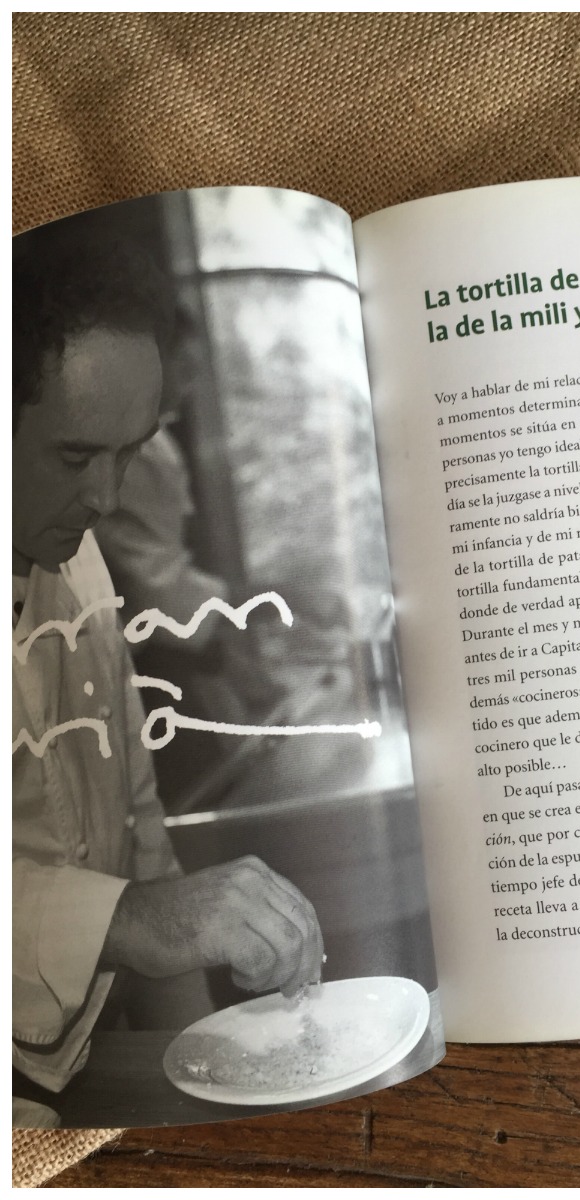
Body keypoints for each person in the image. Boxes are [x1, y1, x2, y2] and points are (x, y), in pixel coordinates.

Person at [11, 229, 323, 1121]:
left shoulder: (77, 564)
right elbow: (139, 910)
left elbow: (135, 821)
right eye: (76, 459)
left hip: (84, 1053)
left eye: (130, 451)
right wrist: (137, 921)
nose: (107, 498)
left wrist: (205, 1075)